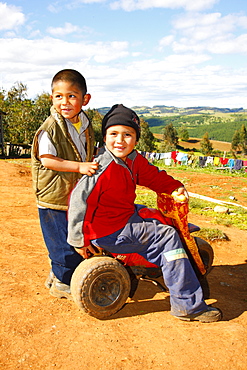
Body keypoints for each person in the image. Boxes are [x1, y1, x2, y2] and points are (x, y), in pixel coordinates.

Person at [67, 104, 222, 322]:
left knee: (150, 214)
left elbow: (151, 175)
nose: (120, 140)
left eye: (127, 134)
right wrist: (78, 239)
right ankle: (187, 305)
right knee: (167, 236)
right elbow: (78, 200)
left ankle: (149, 263)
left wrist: (173, 186)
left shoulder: (132, 159)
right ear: (105, 136)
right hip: (111, 229)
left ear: (136, 139)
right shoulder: (102, 167)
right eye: (113, 134)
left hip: (123, 217)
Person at [31, 69, 98, 300]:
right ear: (52, 98)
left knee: (71, 237)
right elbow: (48, 160)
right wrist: (79, 167)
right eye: (58, 96)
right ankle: (63, 282)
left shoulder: (85, 124)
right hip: (54, 196)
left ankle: (57, 275)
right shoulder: (50, 128)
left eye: (71, 96)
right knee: (61, 242)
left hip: (73, 195)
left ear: (85, 99)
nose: (65, 102)